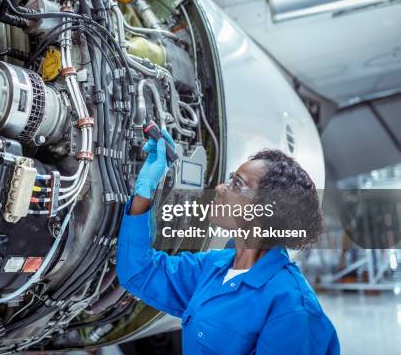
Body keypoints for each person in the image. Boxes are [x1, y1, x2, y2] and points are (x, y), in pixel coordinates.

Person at [116, 130, 340, 354]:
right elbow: (138, 271)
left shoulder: (292, 307)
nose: (221, 188)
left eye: (237, 184)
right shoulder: (214, 268)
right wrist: (145, 190)